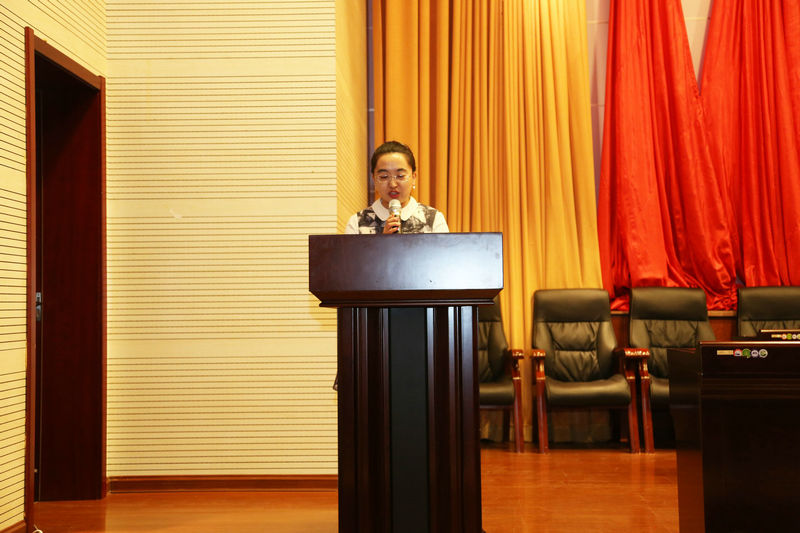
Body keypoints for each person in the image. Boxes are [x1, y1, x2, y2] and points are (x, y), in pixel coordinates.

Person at [345, 140, 449, 234]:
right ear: (374, 179)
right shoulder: (357, 223)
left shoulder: (433, 220)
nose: (393, 184)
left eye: (400, 176)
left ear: (413, 177)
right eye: (384, 176)